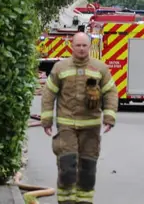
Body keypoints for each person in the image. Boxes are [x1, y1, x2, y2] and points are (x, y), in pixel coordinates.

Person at [41, 32, 118, 204]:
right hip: (66, 126)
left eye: (84, 45)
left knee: (88, 168)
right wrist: (46, 120)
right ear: (72, 46)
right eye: (78, 45)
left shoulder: (99, 69)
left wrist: (109, 116)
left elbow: (111, 92)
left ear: (89, 47)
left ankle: (84, 201)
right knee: (67, 166)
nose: (81, 49)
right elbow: (48, 94)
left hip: (90, 127)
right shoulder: (60, 68)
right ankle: (66, 201)